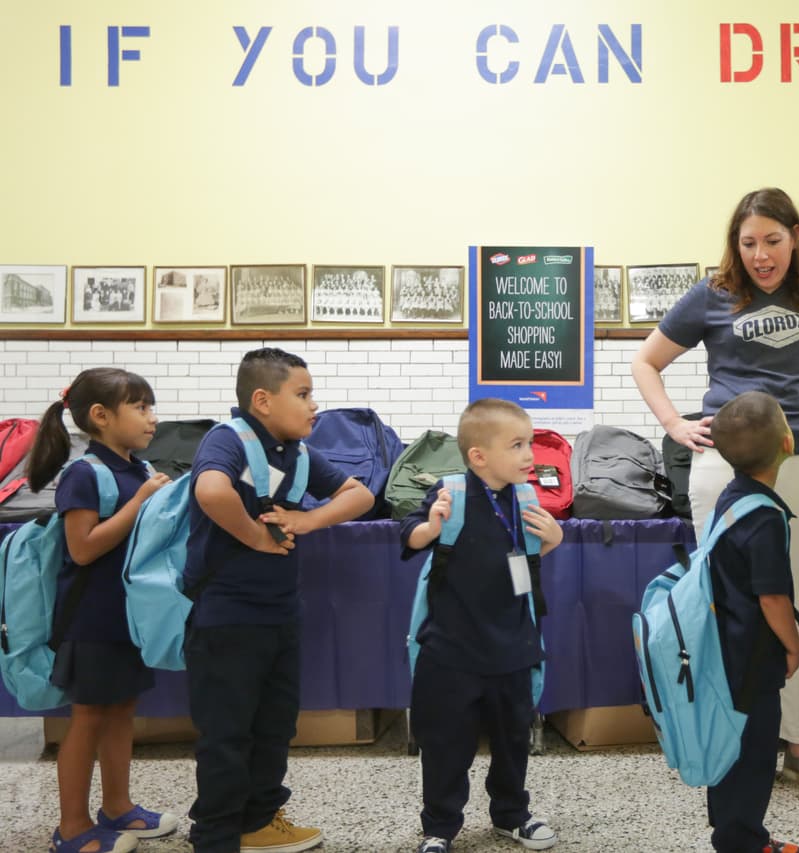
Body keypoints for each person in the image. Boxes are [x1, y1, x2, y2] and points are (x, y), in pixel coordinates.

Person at [631, 187, 799, 799]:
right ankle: (734, 739)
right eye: (748, 243)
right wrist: (674, 424)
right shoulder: (712, 295)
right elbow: (646, 362)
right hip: (726, 465)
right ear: (734, 245)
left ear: (796, 237)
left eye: (772, 240)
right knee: (724, 604)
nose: (760, 255)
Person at [184, 348, 374, 853]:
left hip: (280, 614)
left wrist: (309, 519)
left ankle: (259, 820)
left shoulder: (298, 453)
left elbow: (360, 495)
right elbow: (211, 491)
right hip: (226, 617)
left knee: (273, 726)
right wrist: (254, 536)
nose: (314, 405)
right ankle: (216, 835)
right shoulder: (228, 438)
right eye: (303, 394)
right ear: (263, 401)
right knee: (227, 733)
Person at [400, 398, 565, 853]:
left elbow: (524, 559)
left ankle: (511, 814)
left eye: (529, 443)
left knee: (513, 742)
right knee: (445, 746)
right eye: (517, 445)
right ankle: (439, 826)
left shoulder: (525, 498)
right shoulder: (450, 492)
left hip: (512, 647)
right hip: (450, 651)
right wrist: (431, 527)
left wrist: (554, 540)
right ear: (479, 456)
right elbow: (409, 534)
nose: (530, 455)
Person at [27, 368, 178, 853]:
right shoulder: (85, 474)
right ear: (100, 415)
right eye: (141, 407)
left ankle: (118, 807)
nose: (152, 418)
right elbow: (84, 548)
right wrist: (141, 502)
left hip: (128, 618)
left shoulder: (139, 468)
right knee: (88, 717)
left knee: (121, 711)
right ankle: (71, 827)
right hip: (89, 621)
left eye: (151, 407)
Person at [703, 391, 799, 853]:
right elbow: (773, 596)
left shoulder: (731, 499)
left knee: (731, 746)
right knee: (754, 752)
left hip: (723, 646)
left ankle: (733, 833)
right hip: (753, 656)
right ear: (787, 443)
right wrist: (794, 645)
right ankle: (744, 841)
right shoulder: (765, 515)